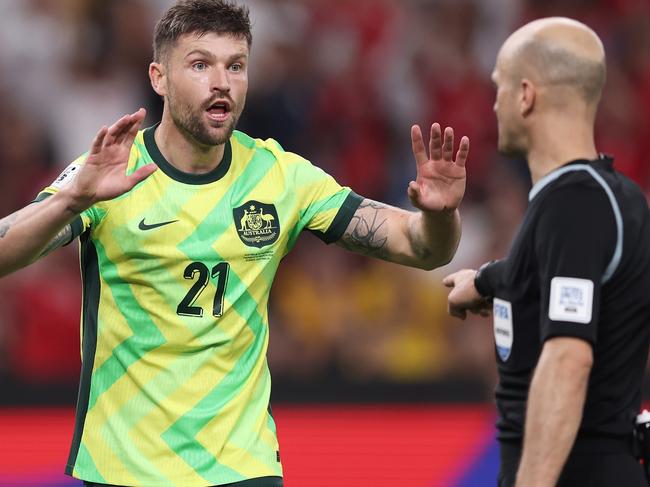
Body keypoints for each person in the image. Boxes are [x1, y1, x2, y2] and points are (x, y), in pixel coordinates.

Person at [0, 1, 469, 486]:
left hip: (242, 469)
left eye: (236, 65)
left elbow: (424, 249)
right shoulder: (109, 173)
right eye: (200, 64)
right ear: (159, 78)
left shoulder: (280, 176)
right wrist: (71, 201)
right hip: (125, 469)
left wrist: (440, 215)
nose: (221, 81)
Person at [443, 17, 650, 487]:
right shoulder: (619, 199)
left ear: (525, 95)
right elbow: (551, 271)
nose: (493, 102)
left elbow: (567, 359)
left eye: (499, 87)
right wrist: (484, 281)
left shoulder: (571, 206)